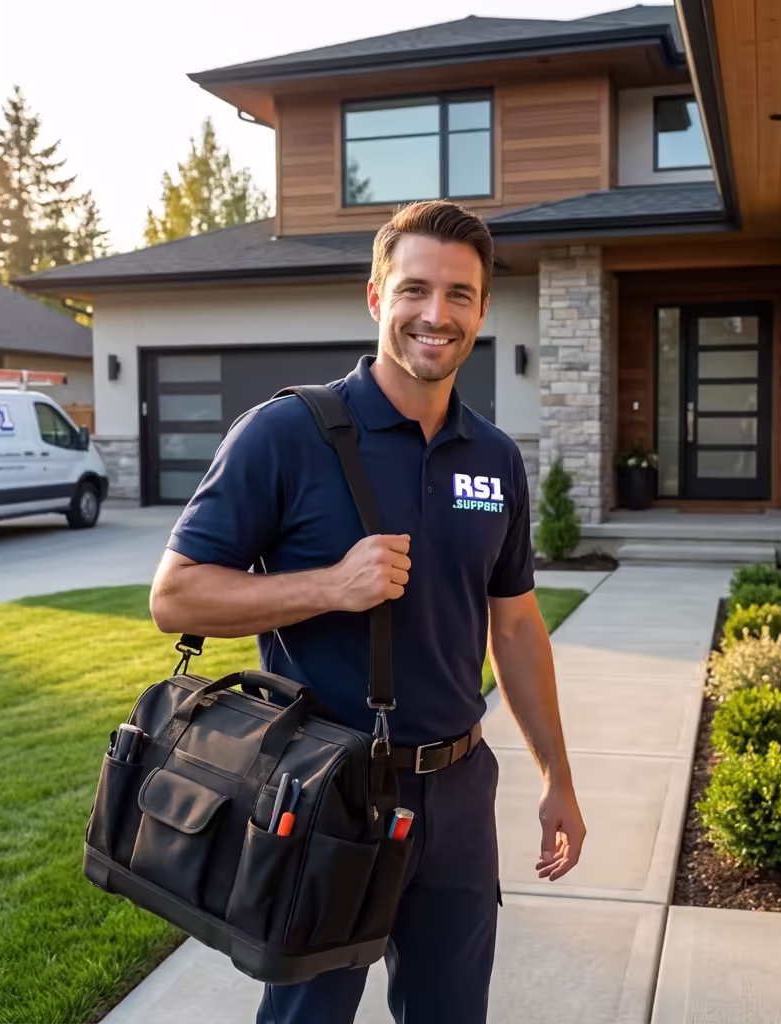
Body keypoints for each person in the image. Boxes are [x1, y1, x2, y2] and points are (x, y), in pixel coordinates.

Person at [149, 199, 586, 1024]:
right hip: (325, 794)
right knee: (307, 1015)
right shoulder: (287, 434)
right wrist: (328, 586)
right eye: (415, 289)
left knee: (452, 1012)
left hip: (457, 792)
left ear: (483, 309)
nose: (437, 314)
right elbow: (175, 596)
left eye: (460, 294)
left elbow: (518, 626)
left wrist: (558, 776)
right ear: (377, 297)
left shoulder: (493, 457)